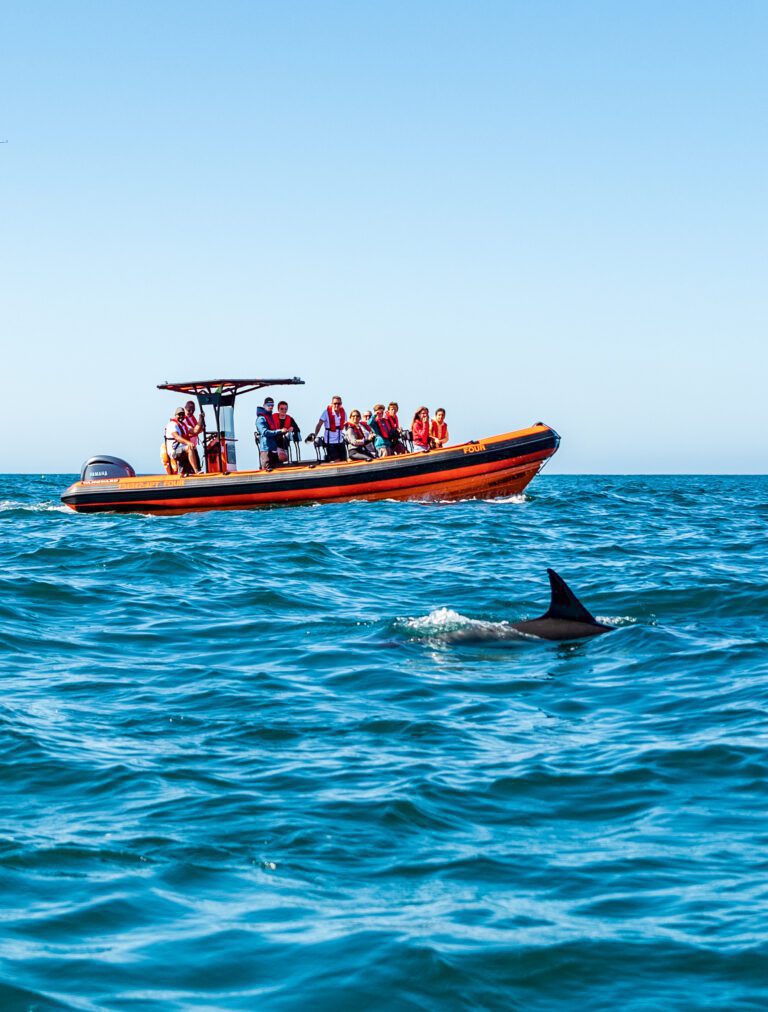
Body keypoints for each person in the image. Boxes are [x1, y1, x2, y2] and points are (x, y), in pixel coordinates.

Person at [310, 396, 347, 462]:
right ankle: (330, 459)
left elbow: (346, 425)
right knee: (337, 461)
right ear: (332, 404)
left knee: (344, 460)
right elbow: (319, 424)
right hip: (330, 442)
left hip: (340, 441)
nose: (337, 405)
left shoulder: (343, 413)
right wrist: (315, 434)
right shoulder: (326, 412)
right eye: (335, 403)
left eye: (339, 403)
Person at [164, 408, 196, 476]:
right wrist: (188, 443)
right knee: (189, 448)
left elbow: (196, 431)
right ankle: (196, 470)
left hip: (181, 449)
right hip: (174, 451)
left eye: (182, 414)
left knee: (192, 449)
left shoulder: (184, 425)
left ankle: (185, 473)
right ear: (175, 415)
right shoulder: (172, 425)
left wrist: (201, 419)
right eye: (179, 414)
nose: (181, 416)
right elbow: (177, 437)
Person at [255, 396, 283, 471]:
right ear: (264, 405)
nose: (270, 407)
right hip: (266, 450)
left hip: (273, 449)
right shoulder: (261, 419)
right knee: (267, 469)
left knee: (277, 469)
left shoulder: (270, 417)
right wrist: (279, 431)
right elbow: (265, 432)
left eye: (272, 405)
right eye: (269, 405)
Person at [181, 400, 204, 473]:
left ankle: (198, 472)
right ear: (185, 408)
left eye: (193, 410)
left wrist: (199, 427)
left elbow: (199, 429)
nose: (191, 412)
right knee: (188, 469)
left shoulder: (192, 418)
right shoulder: (183, 420)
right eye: (189, 410)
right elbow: (195, 431)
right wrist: (200, 420)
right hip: (186, 448)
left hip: (194, 447)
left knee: (198, 466)